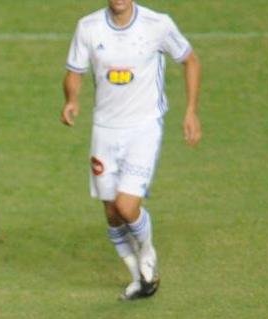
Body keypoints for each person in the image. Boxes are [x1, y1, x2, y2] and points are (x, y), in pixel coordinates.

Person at [61, 0, 202, 300]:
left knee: (126, 206)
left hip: (144, 128)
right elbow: (74, 70)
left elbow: (190, 60)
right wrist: (71, 100)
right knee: (111, 212)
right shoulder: (88, 27)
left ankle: (147, 254)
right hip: (105, 129)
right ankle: (140, 278)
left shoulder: (158, 24)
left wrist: (190, 111)